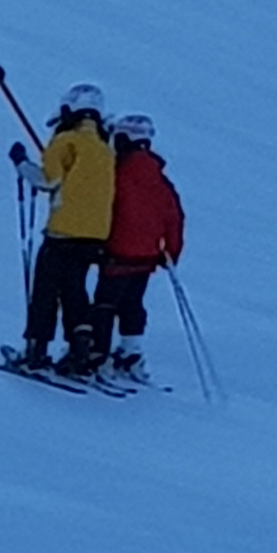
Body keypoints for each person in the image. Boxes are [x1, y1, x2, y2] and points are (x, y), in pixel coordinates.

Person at [7, 83, 115, 376]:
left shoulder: (66, 141)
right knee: (75, 290)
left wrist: (21, 163)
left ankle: (36, 350)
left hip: (63, 232)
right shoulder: (105, 149)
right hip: (94, 236)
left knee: (46, 290)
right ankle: (79, 350)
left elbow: (48, 180)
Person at [90, 113, 184, 383]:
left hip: (117, 254)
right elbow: (175, 218)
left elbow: (104, 209)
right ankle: (131, 352)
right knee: (132, 303)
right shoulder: (161, 180)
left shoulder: (116, 175)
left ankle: (99, 356)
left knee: (105, 305)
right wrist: (171, 253)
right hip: (146, 257)